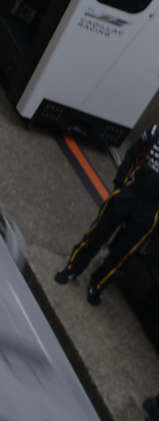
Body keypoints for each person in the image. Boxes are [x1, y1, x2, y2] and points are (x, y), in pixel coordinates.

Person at [56, 123, 159, 304]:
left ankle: (97, 285)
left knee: (122, 252)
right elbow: (134, 153)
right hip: (130, 193)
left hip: (150, 211)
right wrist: (121, 183)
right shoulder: (155, 131)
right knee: (98, 232)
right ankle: (73, 268)